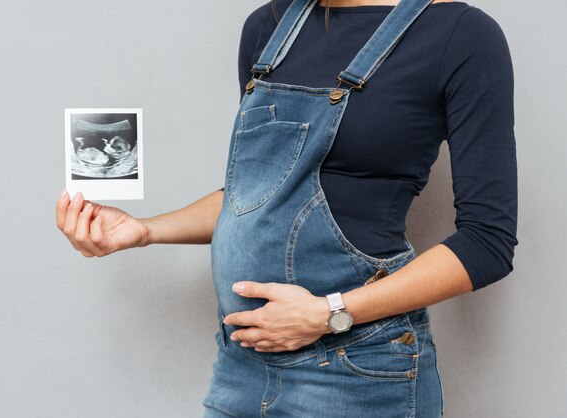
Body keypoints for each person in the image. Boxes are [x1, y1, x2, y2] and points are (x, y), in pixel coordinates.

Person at [55, 0, 518, 416]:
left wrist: (332, 312)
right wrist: (144, 229)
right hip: (240, 366)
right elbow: (259, 195)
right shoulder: (268, 27)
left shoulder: (460, 34)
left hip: (358, 370)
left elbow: (487, 242)